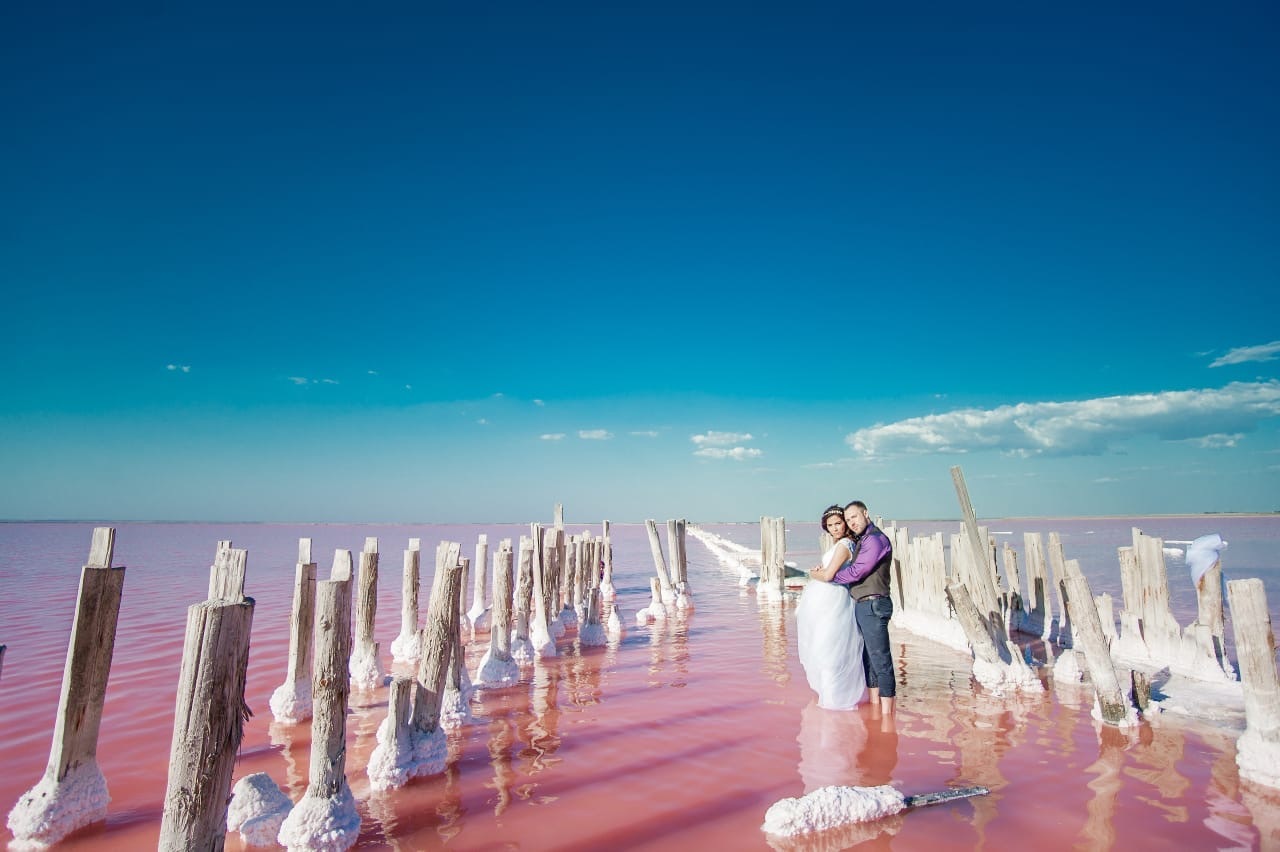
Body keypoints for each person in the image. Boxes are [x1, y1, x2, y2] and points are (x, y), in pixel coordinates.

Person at [796, 505, 866, 710]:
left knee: (830, 650)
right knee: (825, 648)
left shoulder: (845, 544)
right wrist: (823, 571)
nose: (835, 528)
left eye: (838, 523)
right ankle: (830, 696)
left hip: (834, 602)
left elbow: (828, 576)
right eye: (830, 525)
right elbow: (831, 572)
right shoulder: (839, 545)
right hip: (828, 602)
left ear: (845, 523)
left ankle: (834, 700)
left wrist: (813, 573)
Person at [834, 500, 896, 716]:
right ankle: (875, 708)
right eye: (848, 519)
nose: (851, 522)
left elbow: (857, 572)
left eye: (855, 517)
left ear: (866, 514)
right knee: (867, 658)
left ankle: (888, 717)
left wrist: (829, 576)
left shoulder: (876, 540)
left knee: (880, 658)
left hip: (874, 603)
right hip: (863, 604)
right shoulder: (863, 540)